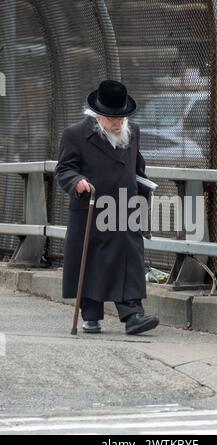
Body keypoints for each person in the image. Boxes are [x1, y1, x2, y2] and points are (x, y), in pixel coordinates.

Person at [54, 80, 159, 335]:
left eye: (122, 117)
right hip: (91, 208)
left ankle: (133, 315)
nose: (118, 123)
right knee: (91, 262)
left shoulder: (132, 131)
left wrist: (143, 198)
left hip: (124, 208)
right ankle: (91, 316)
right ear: (98, 114)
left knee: (129, 258)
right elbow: (64, 168)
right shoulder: (75, 134)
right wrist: (76, 181)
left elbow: (138, 169)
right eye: (113, 118)